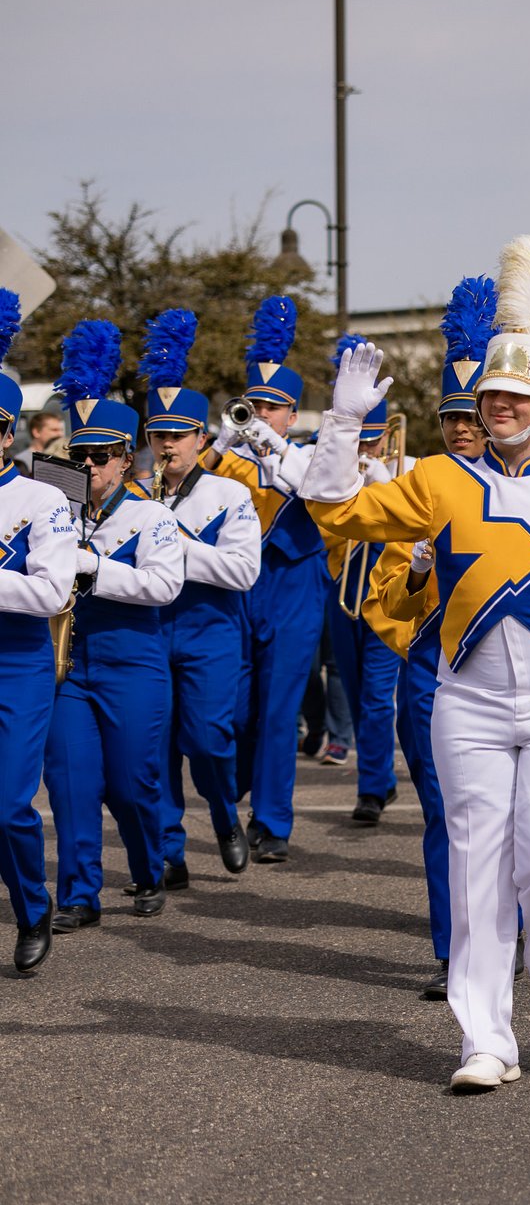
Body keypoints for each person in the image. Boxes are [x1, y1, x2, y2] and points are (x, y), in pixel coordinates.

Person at [303, 236, 530, 1092]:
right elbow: (333, 508)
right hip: (466, 702)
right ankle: (482, 1038)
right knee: (475, 872)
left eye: (513, 396)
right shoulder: (437, 477)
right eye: (488, 394)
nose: (495, 406)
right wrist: (343, 419)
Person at [365, 274, 496, 997]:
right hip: (431, 669)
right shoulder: (416, 491)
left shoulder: (529, 487)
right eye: (450, 419)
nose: (460, 430)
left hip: (506, 669)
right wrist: (417, 571)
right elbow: (384, 603)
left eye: (472, 417)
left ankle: (505, 933)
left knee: (504, 816)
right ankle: (456, 956)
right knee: (446, 812)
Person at [44, 320, 183, 931]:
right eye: (81, 455)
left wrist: (93, 567)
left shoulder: (151, 517)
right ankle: (78, 893)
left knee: (131, 784)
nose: (91, 465)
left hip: (133, 660)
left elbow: (163, 586)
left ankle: (149, 869)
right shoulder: (51, 508)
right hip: (68, 664)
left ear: (129, 458)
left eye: (103, 456)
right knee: (72, 783)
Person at [206, 295, 328, 864]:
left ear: (291, 414)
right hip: (237, 589)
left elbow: (312, 490)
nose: (261, 414)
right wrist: (220, 445)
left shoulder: (308, 455)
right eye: (253, 404)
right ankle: (231, 794)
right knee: (233, 709)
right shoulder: (226, 459)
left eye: (273, 408)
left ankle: (273, 821)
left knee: (280, 708)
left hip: (294, 585)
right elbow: (178, 493)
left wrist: (270, 444)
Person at [142, 310, 262, 887]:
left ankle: (223, 812)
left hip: (208, 628)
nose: (167, 445)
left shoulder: (228, 492)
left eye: (178, 435)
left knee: (209, 738)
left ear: (201, 439)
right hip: (146, 627)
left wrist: (173, 542)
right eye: (158, 435)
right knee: (155, 742)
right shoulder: (135, 493)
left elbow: (242, 571)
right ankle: (169, 848)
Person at [0, 290, 78, 970]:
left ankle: (31, 907)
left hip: (17, 663)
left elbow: (54, 590)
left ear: (8, 434)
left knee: (6, 807)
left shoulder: (42, 499)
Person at [322, 363, 410, 825]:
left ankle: (371, 788)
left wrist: (383, 482)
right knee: (355, 695)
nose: (364, 449)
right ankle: (380, 779)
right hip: (344, 590)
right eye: (359, 440)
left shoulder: (403, 470)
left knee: (378, 697)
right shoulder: (336, 469)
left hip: (389, 596)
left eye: (372, 440)